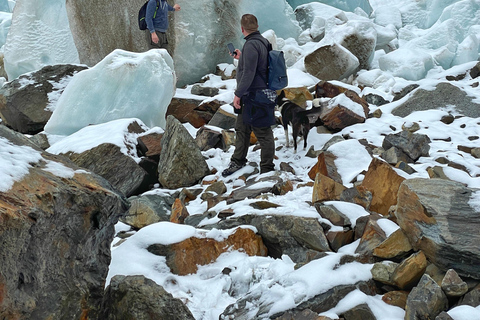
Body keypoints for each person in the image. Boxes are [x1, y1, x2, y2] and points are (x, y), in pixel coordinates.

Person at [222, 14, 276, 177]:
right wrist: (241, 57)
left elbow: (250, 73)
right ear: (257, 26)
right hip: (257, 93)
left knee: (263, 131)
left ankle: (267, 168)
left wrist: (238, 94)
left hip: (254, 94)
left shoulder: (252, 45)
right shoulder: (262, 42)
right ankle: (238, 161)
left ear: (242, 28)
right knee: (242, 127)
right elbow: (258, 65)